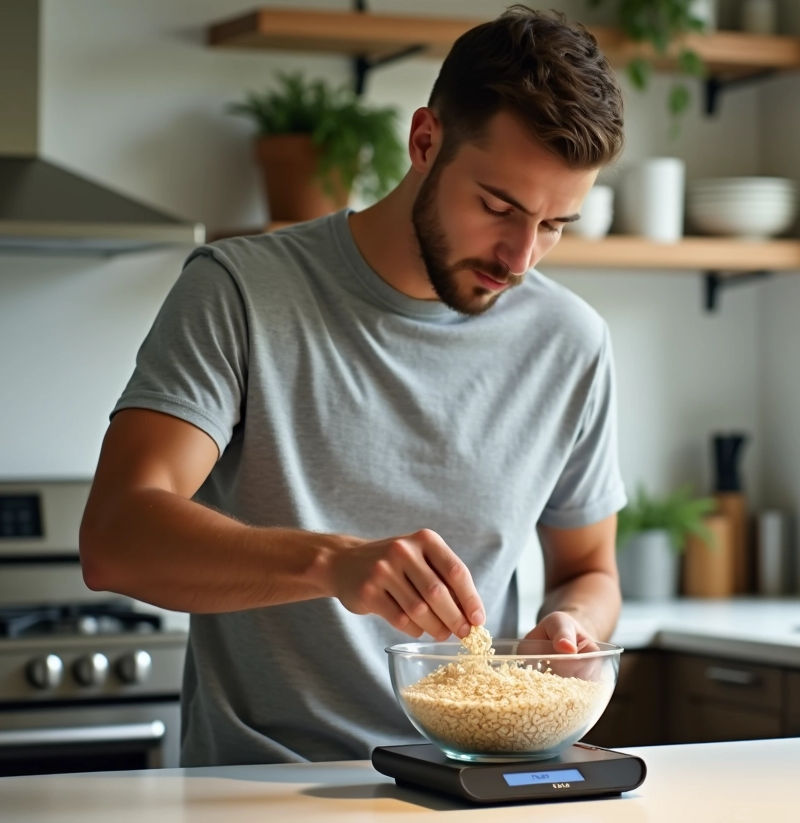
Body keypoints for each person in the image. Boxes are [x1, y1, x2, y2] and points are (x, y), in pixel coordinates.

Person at [78, 5, 627, 767]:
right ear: (425, 142)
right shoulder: (241, 291)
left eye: (556, 224)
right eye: (498, 208)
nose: (521, 257)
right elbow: (116, 540)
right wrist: (332, 564)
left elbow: (589, 570)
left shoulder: (570, 341)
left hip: (467, 785)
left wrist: (572, 628)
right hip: (259, 793)